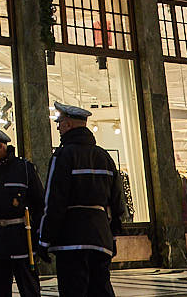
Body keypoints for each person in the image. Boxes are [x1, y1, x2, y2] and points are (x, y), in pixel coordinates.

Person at [39, 103, 120, 297]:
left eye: (59, 123)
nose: (58, 128)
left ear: (68, 125)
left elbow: (55, 201)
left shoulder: (63, 155)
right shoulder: (104, 157)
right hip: (100, 238)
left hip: (71, 239)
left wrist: (44, 238)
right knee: (101, 290)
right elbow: (117, 201)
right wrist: (113, 236)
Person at [0, 124, 46, 297]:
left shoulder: (24, 169)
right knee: (1, 290)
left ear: (0, 145)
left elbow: (39, 203)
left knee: (29, 289)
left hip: (22, 240)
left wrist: (40, 235)